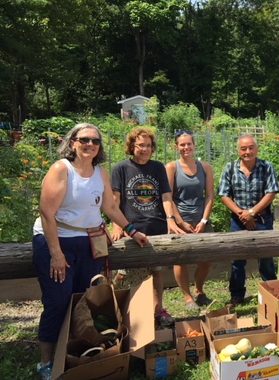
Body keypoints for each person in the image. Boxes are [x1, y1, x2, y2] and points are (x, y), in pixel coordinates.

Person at [32, 123, 148, 380]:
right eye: (84, 139)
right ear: (72, 142)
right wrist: (56, 253)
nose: (90, 145)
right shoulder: (62, 170)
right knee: (58, 301)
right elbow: (47, 212)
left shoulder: (100, 173)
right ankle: (47, 361)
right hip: (57, 239)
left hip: (88, 242)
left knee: (86, 298)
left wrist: (132, 230)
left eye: (95, 141)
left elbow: (110, 207)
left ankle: (77, 350)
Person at [111, 127, 186, 326]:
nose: (144, 149)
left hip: (156, 228)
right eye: (140, 145)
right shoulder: (121, 168)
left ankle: (157, 310)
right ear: (132, 147)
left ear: (153, 148)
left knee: (156, 272)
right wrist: (117, 225)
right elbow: (114, 200)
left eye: (148, 146)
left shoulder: (158, 167)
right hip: (132, 228)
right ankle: (129, 314)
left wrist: (170, 219)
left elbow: (166, 196)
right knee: (130, 274)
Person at [218, 134, 279, 307]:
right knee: (237, 259)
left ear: (256, 149)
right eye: (243, 148)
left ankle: (271, 293)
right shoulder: (230, 168)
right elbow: (224, 194)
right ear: (238, 150)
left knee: (266, 258)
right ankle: (237, 296)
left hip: (262, 219)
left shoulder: (267, 166)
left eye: (251, 147)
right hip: (238, 221)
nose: (247, 151)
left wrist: (252, 212)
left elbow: (271, 192)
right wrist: (242, 214)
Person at [166, 130, 215, 309]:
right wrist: (179, 221)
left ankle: (199, 290)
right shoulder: (171, 167)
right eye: (182, 144)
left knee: (206, 259)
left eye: (189, 144)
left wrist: (203, 220)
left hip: (201, 220)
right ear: (176, 146)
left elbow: (210, 195)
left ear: (194, 145)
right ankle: (187, 297)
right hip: (181, 221)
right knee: (181, 260)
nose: (186, 147)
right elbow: (168, 197)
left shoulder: (205, 167)